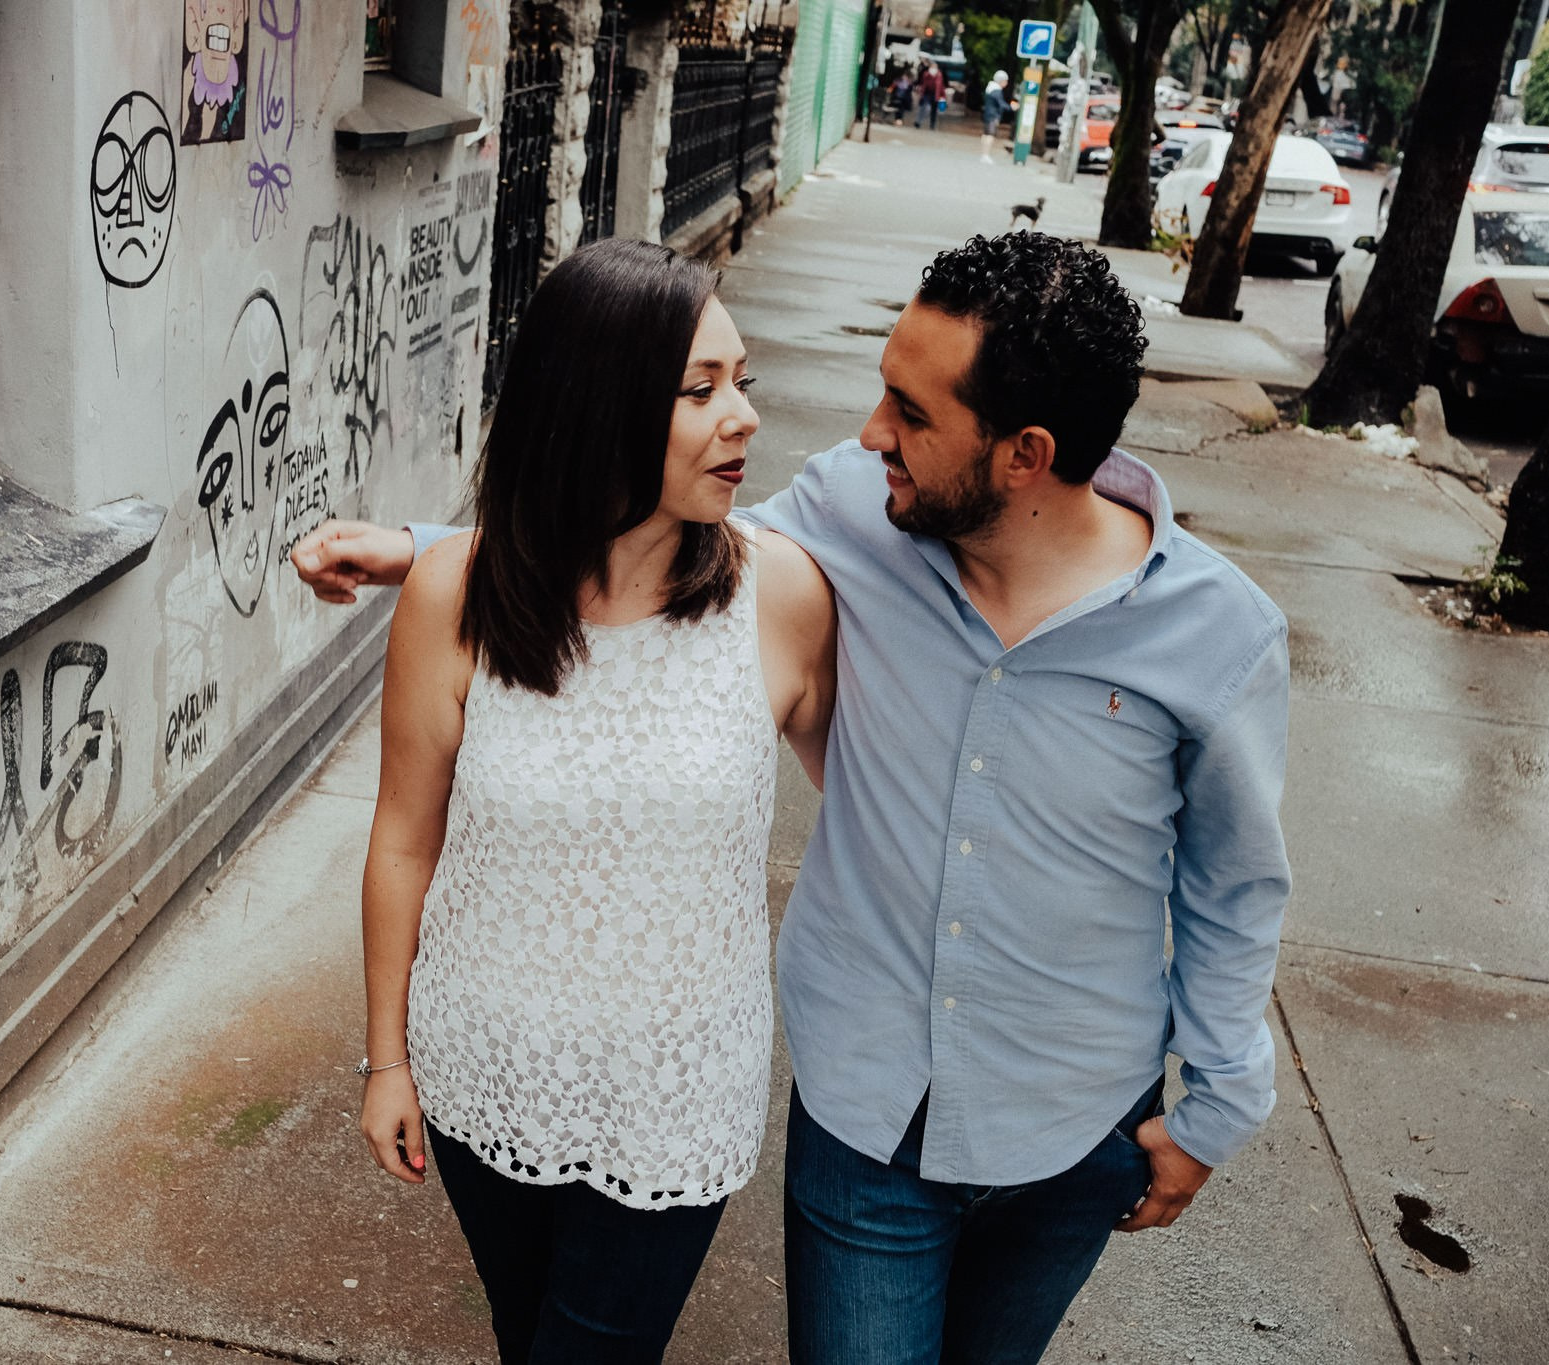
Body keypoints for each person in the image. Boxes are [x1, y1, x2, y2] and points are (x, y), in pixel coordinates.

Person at [298, 232, 1290, 1365]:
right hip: (867, 1110)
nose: (867, 435)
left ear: (1024, 455)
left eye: (908, 413)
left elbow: (1235, 890)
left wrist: (1215, 1110)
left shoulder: (1217, 636)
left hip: (1074, 1125)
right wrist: (417, 551)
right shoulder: (852, 513)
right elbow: (618, 530)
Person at [355, 235, 836, 1365]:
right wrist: (387, 1060)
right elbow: (403, 841)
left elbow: (883, 805)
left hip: (675, 1094)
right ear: (595, 404)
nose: (744, 418)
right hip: (483, 1068)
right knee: (525, 1333)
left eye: (742, 382)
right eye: (699, 390)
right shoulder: (454, 594)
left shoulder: (780, 595)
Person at [980, 69, 1012, 162]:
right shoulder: (996, 90)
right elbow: (1001, 104)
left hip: (987, 114)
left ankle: (984, 154)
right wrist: (1011, 107)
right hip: (993, 115)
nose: (1006, 83)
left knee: (986, 135)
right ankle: (986, 155)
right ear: (1001, 81)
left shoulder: (990, 88)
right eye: (1005, 81)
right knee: (990, 135)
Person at [915, 61, 946, 130]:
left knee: (934, 111)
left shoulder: (939, 75)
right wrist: (921, 94)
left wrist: (943, 96)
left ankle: (932, 125)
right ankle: (918, 122)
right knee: (925, 108)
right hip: (927, 94)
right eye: (932, 67)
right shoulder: (926, 74)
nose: (933, 69)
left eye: (935, 67)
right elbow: (923, 84)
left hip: (936, 95)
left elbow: (941, 86)